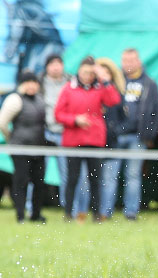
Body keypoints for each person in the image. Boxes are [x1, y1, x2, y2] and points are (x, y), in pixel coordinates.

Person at [54, 56, 121, 222]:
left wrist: (105, 79)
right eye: (85, 72)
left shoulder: (100, 88)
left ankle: (97, 214)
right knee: (72, 178)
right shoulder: (69, 89)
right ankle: (69, 213)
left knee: (95, 179)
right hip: (73, 140)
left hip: (94, 140)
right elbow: (58, 114)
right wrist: (75, 120)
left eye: (91, 73)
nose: (88, 76)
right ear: (79, 71)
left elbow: (114, 100)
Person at [99, 48, 158, 221]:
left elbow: (157, 111)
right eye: (125, 61)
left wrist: (149, 134)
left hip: (137, 137)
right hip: (116, 136)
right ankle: (105, 212)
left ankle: (131, 212)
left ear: (139, 61)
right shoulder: (115, 83)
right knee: (109, 175)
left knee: (133, 176)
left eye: (132, 60)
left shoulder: (149, 84)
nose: (128, 64)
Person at [0, 70, 47, 223]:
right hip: (20, 149)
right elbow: (1, 123)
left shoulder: (40, 100)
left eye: (34, 82)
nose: (31, 85)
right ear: (22, 84)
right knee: (21, 182)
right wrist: (11, 138)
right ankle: (20, 215)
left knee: (39, 182)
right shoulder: (15, 99)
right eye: (28, 82)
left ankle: (36, 214)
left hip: (38, 147)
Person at [42, 54, 88, 215]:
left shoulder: (72, 83)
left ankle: (70, 209)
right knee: (37, 174)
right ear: (47, 67)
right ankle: (31, 208)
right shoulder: (40, 84)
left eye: (58, 63)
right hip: (45, 133)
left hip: (66, 133)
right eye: (52, 64)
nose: (55, 67)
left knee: (68, 175)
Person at [95, 57, 126, 219]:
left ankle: (105, 213)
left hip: (112, 141)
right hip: (93, 141)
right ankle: (88, 211)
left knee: (109, 180)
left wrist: (116, 130)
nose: (103, 76)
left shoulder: (117, 92)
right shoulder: (92, 90)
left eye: (106, 72)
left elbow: (122, 115)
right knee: (90, 180)